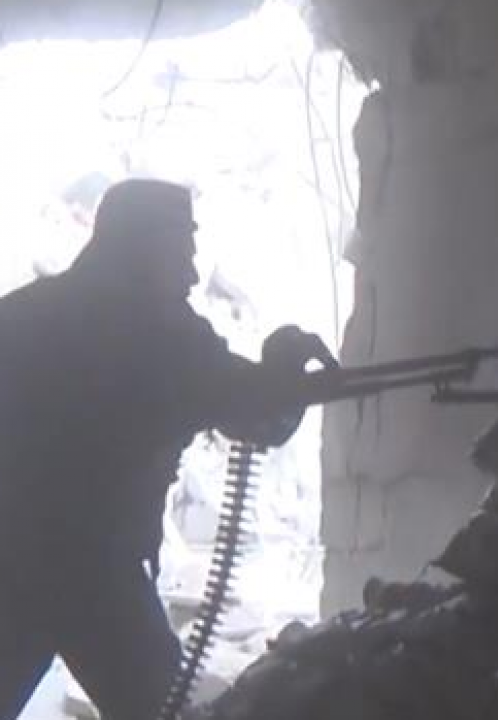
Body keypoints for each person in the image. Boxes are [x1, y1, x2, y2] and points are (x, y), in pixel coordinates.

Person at [0, 178, 337, 720]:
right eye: (181, 254)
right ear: (145, 248)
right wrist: (284, 366)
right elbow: (251, 413)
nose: (191, 275)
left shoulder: (20, 316)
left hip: (15, 562)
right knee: (162, 711)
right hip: (97, 576)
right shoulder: (159, 333)